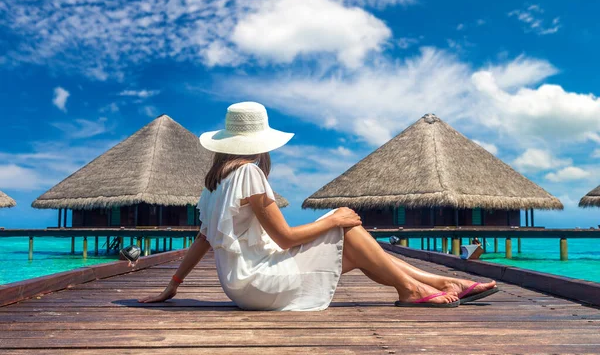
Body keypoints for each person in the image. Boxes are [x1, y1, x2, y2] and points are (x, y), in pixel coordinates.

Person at [138, 102, 497, 309]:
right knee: (348, 228)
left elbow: (203, 239)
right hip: (260, 284)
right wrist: (334, 218)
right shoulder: (249, 174)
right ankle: (415, 289)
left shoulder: (214, 182)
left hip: (240, 285)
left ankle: (438, 281)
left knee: (355, 246)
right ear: (261, 142)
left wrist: (174, 282)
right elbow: (285, 239)